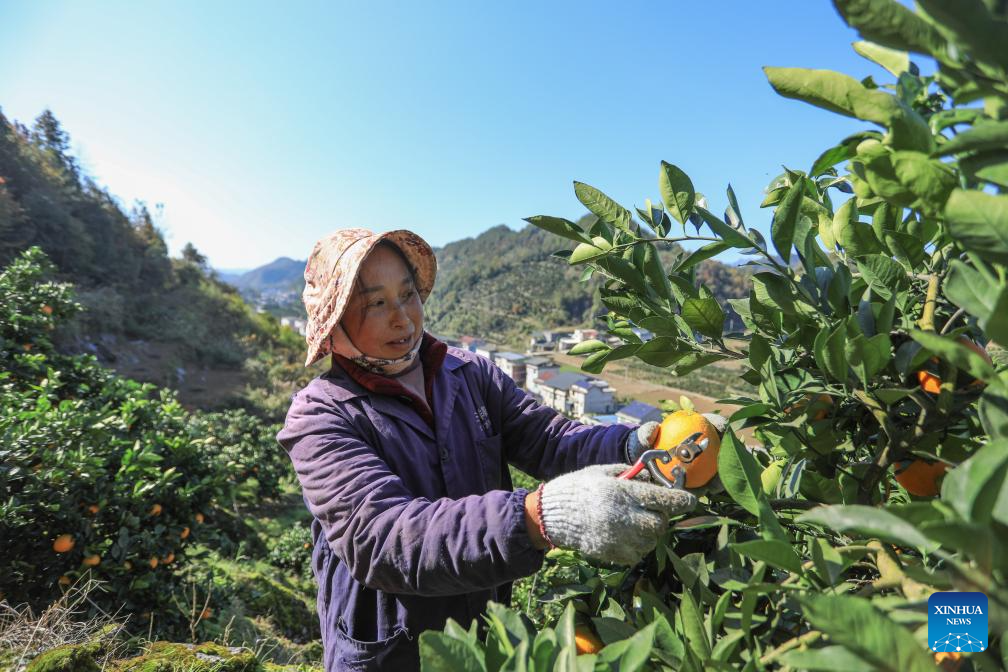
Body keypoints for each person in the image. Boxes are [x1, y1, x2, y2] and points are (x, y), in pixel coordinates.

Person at [277, 228, 706, 671]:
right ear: (336, 320)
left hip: (485, 636)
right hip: (392, 650)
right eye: (376, 304)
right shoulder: (321, 418)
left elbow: (548, 439)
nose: (403, 319)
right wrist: (540, 515)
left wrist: (636, 443)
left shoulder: (469, 375)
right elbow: (384, 537)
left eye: (408, 295)